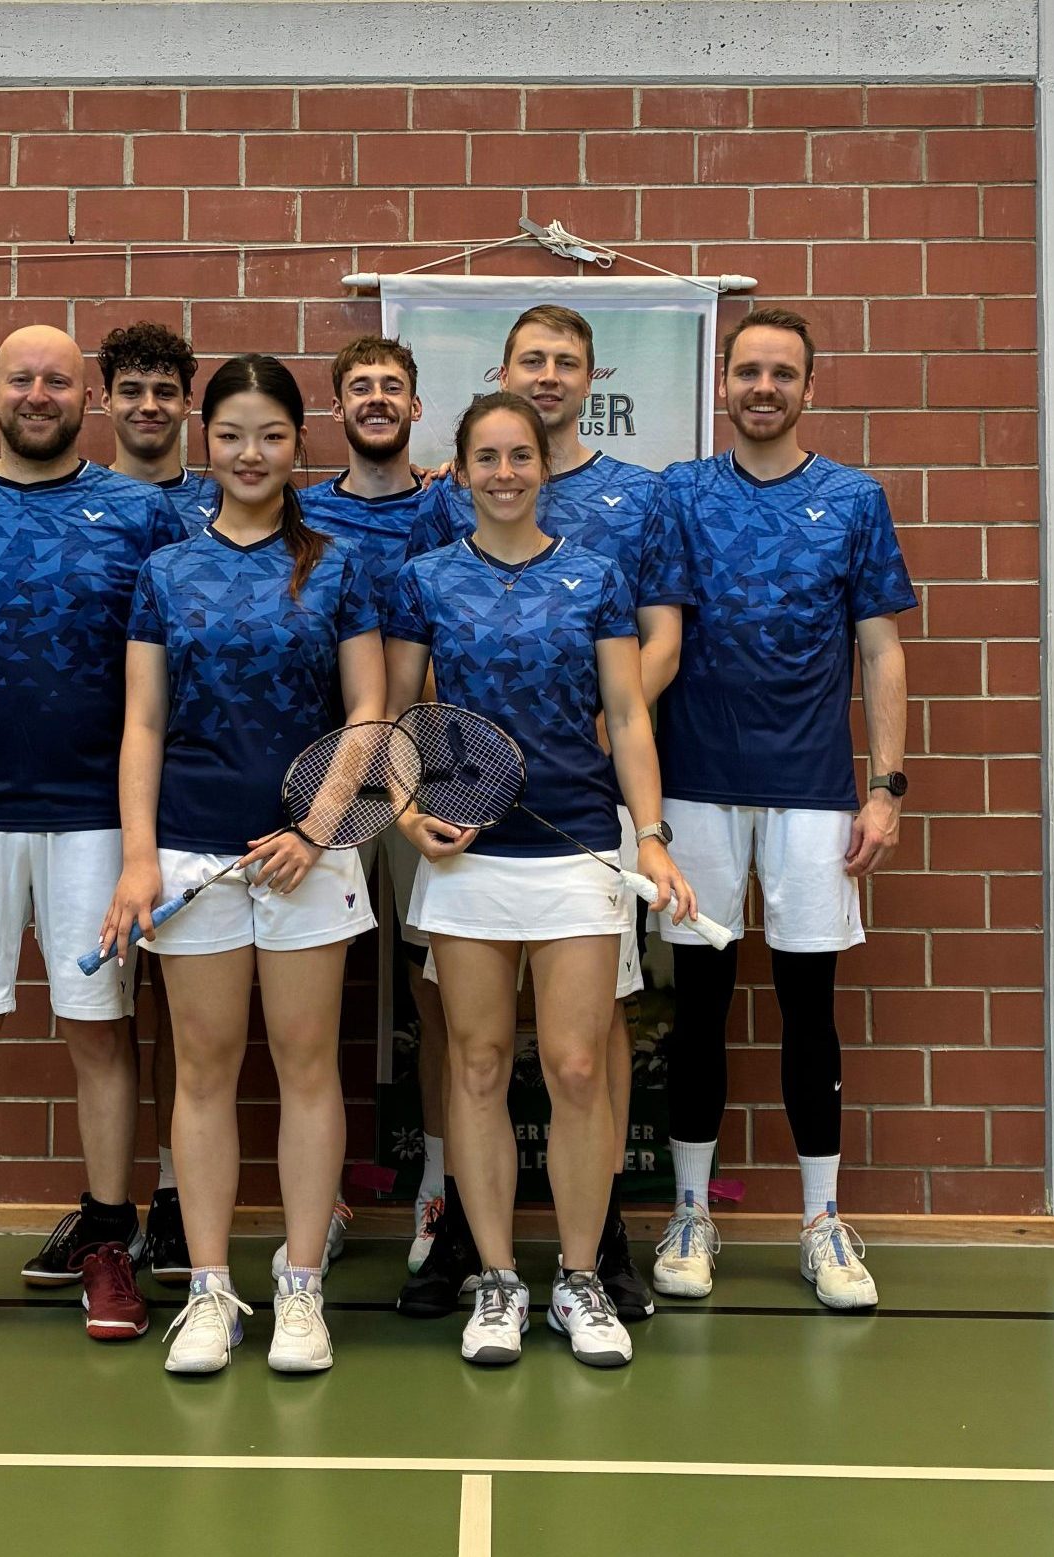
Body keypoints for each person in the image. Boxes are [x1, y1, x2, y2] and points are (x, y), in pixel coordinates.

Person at [0, 325, 185, 1354]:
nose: (40, 393)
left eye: (58, 379)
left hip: (96, 817)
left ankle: (107, 1238)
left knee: (99, 1029)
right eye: (23, 379)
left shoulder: (142, 514)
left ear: (86, 398)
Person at [386, 391, 697, 1369]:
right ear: (462, 470)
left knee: (575, 1068)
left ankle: (580, 1277)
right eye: (487, 457)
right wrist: (407, 809)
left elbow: (628, 715)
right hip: (469, 856)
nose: (506, 473)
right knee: (477, 1067)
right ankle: (495, 1280)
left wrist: (651, 836)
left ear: (543, 467)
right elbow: (395, 712)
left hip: (578, 852)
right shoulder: (425, 579)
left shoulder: (597, 577)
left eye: (520, 456)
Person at [101, 354, 385, 1375]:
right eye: (230, 436)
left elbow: (369, 708)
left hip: (309, 856)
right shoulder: (167, 570)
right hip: (192, 853)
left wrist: (317, 828)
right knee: (205, 1072)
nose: (250, 453)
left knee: (308, 1068)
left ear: (299, 442)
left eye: (270, 435)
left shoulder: (339, 564)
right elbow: (143, 722)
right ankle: (211, 1289)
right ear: (205, 442)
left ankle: (301, 1286)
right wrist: (141, 859)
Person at [652, 308, 915, 1310]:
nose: (764, 388)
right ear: (723, 382)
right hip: (695, 786)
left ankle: (821, 1221)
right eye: (748, 371)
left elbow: (881, 650)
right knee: (700, 1005)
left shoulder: (854, 498)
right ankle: (690, 1212)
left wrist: (886, 788)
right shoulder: (679, 493)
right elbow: (653, 634)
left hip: (813, 791)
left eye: (783, 373)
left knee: (809, 1006)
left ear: (810, 387)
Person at [281, 335, 452, 1284]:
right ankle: (326, 1199)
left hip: (431, 778)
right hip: (334, 781)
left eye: (392, 386)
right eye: (360, 387)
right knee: (319, 993)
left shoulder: (451, 502)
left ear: (416, 408)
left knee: (439, 992)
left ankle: (438, 1185)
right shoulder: (301, 515)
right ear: (337, 408)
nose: (377, 399)